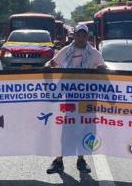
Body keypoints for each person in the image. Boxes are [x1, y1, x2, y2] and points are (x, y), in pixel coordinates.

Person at [44, 24, 106, 174]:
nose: (81, 38)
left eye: (84, 35)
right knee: (65, 129)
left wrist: (102, 70)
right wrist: (46, 66)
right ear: (74, 36)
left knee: (85, 128)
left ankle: (81, 160)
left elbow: (104, 69)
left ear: (87, 37)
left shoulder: (94, 53)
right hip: (67, 98)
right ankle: (58, 161)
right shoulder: (66, 51)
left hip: (87, 99)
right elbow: (51, 63)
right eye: (78, 35)